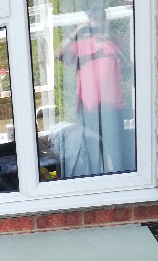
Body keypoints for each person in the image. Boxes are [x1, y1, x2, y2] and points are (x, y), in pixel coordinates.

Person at [58, 7, 135, 174]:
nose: (98, 23)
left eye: (101, 19)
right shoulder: (81, 45)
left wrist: (111, 43)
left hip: (113, 108)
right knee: (93, 153)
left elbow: (129, 66)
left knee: (115, 152)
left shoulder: (114, 41)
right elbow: (59, 55)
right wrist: (76, 32)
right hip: (89, 109)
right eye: (94, 19)